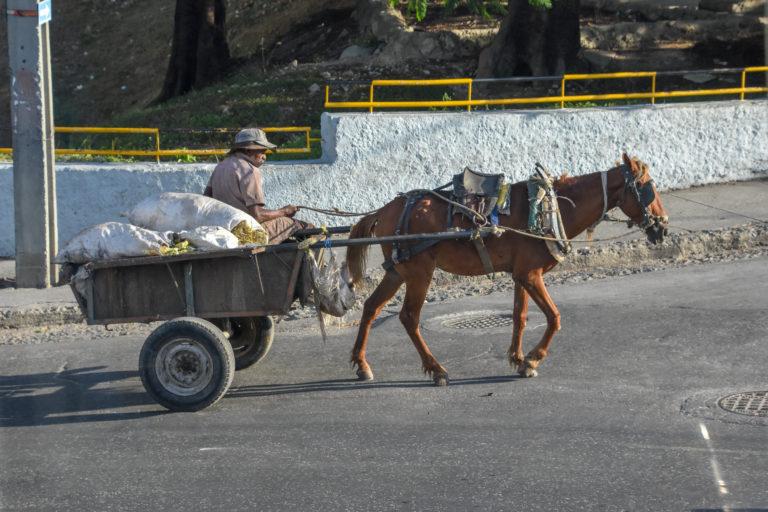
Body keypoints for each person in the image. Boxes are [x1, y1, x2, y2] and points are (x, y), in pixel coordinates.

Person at [204, 128, 306, 244]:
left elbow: (206, 199)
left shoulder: (220, 167)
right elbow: (257, 215)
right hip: (245, 233)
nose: (264, 157)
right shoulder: (250, 170)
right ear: (248, 150)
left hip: (221, 230)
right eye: (261, 152)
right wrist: (284, 211)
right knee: (303, 226)